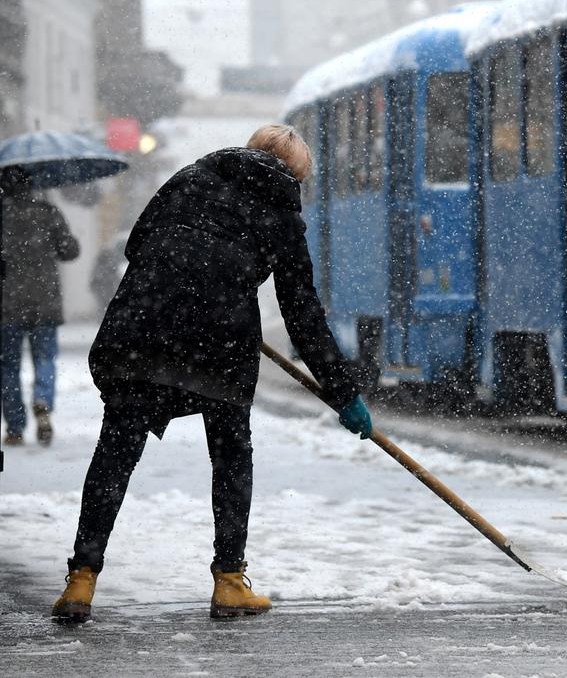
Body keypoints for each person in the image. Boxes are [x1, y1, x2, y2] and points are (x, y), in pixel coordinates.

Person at [51, 124, 374, 623]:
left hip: (143, 320)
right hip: (218, 338)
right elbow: (302, 312)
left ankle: (81, 581)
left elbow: (138, 246)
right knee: (230, 454)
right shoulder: (282, 212)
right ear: (295, 172)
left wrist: (187, 279)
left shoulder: (188, 177)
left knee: (116, 452)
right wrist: (343, 391)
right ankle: (228, 582)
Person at [0, 166, 80, 446]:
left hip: (6, 303)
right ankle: (43, 400)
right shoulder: (47, 212)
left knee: (8, 366)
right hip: (44, 301)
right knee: (44, 359)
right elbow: (70, 251)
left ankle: (15, 427)